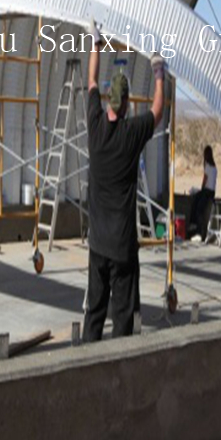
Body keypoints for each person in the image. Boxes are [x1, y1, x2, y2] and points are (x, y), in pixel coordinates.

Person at [83, 23, 165, 341]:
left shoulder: (94, 125)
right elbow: (157, 112)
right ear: (128, 104)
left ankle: (86, 367)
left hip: (97, 244)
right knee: (122, 317)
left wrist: (96, 43)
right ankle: (119, 372)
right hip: (122, 246)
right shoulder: (131, 135)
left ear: (107, 102)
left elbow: (90, 81)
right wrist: (158, 72)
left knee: (95, 311)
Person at [188, 145, 218, 241]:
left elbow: (205, 180)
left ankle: (199, 229)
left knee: (198, 208)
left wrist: (201, 189)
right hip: (212, 192)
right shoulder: (214, 168)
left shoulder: (208, 167)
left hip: (207, 191)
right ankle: (195, 226)